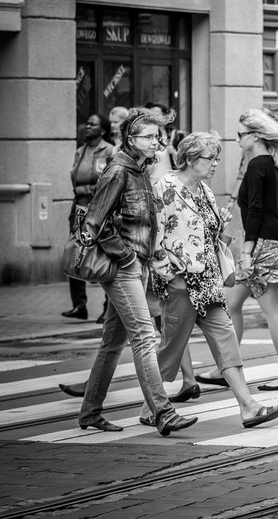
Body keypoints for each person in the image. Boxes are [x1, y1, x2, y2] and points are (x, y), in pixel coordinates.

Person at [147, 132, 278, 429]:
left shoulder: (205, 192)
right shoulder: (163, 188)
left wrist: (222, 230)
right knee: (171, 348)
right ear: (190, 159)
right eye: (210, 158)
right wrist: (166, 271)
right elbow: (151, 235)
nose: (215, 164)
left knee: (226, 340)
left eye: (216, 158)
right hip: (179, 282)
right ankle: (153, 406)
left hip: (208, 281)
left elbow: (211, 237)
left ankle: (248, 406)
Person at [75, 107, 198, 436]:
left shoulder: (141, 170)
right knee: (145, 337)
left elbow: (145, 223)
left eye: (159, 136)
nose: (157, 141)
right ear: (130, 140)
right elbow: (93, 223)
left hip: (137, 266)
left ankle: (90, 411)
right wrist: (127, 257)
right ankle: (163, 411)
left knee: (112, 344)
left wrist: (154, 257)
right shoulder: (118, 170)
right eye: (149, 136)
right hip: (121, 269)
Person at [199, 109, 278, 391]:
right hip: (270, 242)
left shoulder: (258, 164)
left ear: (255, 136)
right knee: (231, 305)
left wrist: (246, 251)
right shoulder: (273, 163)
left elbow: (255, 211)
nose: (237, 140)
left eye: (240, 135)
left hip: (262, 245)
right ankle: (226, 368)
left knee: (271, 310)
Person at [63, 113, 115, 321]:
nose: (87, 127)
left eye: (93, 124)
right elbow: (74, 179)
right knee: (76, 253)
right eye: (87, 123)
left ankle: (107, 307)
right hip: (79, 207)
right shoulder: (80, 151)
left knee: (101, 256)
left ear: (102, 130)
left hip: (99, 209)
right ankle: (79, 306)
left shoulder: (109, 150)